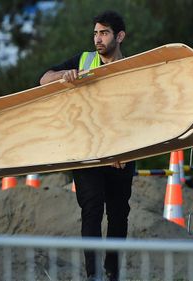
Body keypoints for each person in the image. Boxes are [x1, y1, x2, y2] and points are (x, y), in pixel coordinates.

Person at [39, 10, 134, 281]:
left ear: (120, 36)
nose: (98, 39)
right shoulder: (83, 60)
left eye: (104, 33)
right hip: (87, 150)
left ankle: (112, 272)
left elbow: (139, 115)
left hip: (122, 153)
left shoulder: (134, 67)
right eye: (95, 33)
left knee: (118, 214)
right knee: (91, 208)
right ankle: (93, 275)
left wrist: (126, 150)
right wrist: (63, 76)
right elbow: (43, 78)